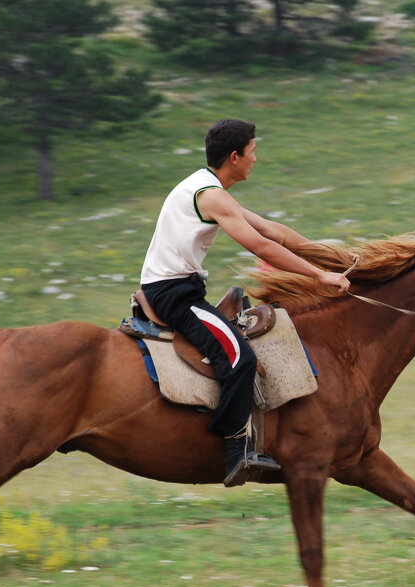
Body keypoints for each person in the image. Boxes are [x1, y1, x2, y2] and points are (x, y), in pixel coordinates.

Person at [139, 118, 350, 487]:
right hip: (171, 293)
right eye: (252, 151)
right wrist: (318, 278)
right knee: (239, 357)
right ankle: (237, 450)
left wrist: (333, 259)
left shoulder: (209, 188)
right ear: (234, 156)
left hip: (181, 288)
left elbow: (274, 231)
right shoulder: (211, 195)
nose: (256, 158)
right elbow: (262, 246)